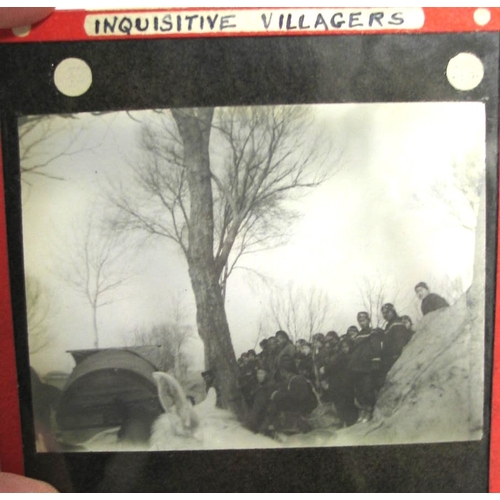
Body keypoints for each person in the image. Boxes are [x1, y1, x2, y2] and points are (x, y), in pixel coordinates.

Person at [380, 303, 413, 377]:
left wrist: (397, 353)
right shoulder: (388, 326)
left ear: (393, 311)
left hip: (395, 357)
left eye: (387, 312)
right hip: (388, 358)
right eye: (384, 313)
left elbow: (400, 339)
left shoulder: (397, 322)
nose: (385, 315)